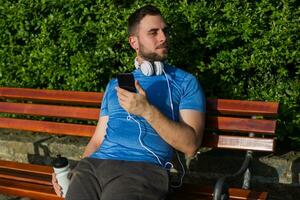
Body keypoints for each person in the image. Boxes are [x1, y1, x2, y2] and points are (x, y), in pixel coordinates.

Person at [52, 4, 206, 200]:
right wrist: (73, 174)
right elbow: (98, 140)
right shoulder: (115, 85)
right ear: (134, 42)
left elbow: (190, 145)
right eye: (153, 32)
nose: (163, 37)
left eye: (164, 31)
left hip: (141, 170)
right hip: (93, 168)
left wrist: (147, 110)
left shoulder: (185, 82)